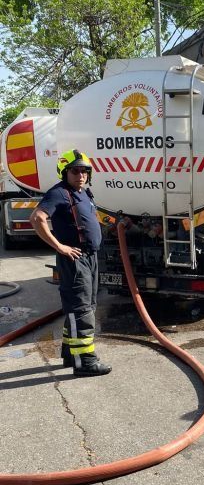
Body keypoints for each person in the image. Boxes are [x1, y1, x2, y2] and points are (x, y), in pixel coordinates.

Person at [31, 150, 112, 376]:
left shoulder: (83, 194)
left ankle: (70, 354)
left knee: (83, 307)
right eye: (75, 171)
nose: (81, 175)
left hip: (90, 257)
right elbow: (37, 218)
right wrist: (60, 246)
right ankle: (85, 362)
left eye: (85, 171)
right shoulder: (58, 193)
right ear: (64, 172)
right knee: (81, 309)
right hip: (75, 260)